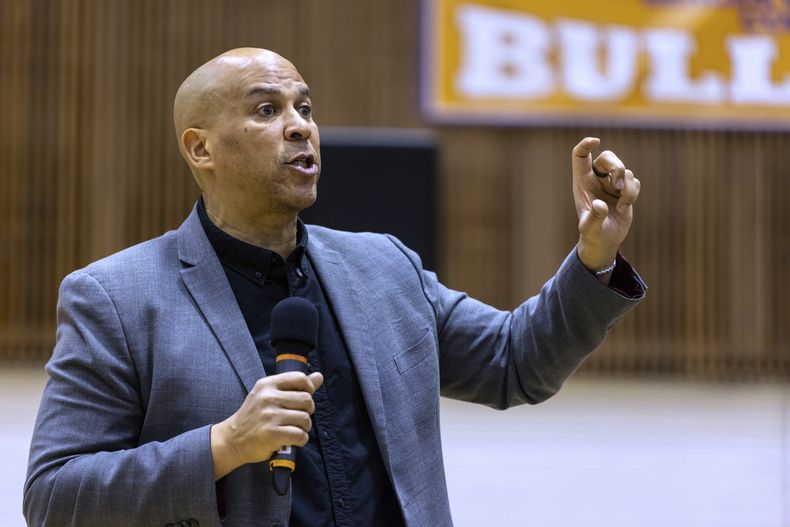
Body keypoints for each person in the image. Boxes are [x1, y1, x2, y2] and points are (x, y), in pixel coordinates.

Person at [24, 48, 645, 527]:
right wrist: (221, 445)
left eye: (306, 108)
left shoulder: (384, 268)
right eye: (268, 110)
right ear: (200, 148)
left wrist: (595, 255)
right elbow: (54, 495)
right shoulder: (116, 298)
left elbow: (516, 363)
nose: (299, 127)